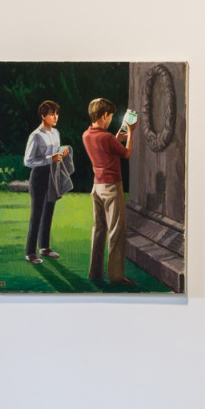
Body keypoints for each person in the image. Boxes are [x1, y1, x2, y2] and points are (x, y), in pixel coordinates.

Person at [82, 97, 134, 286]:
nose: (111, 119)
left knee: (98, 230)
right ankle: (116, 275)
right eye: (110, 116)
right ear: (105, 115)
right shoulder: (107, 138)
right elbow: (126, 153)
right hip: (112, 186)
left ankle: (94, 272)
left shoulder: (87, 135)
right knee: (116, 231)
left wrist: (116, 138)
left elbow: (105, 146)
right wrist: (131, 132)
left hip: (97, 187)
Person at [20, 100, 71, 265]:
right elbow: (28, 161)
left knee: (49, 210)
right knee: (37, 213)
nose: (55, 117)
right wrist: (50, 158)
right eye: (51, 114)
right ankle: (30, 252)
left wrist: (62, 151)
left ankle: (44, 247)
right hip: (39, 176)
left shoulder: (56, 133)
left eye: (57, 114)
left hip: (52, 174)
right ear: (43, 116)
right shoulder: (36, 135)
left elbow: (55, 154)